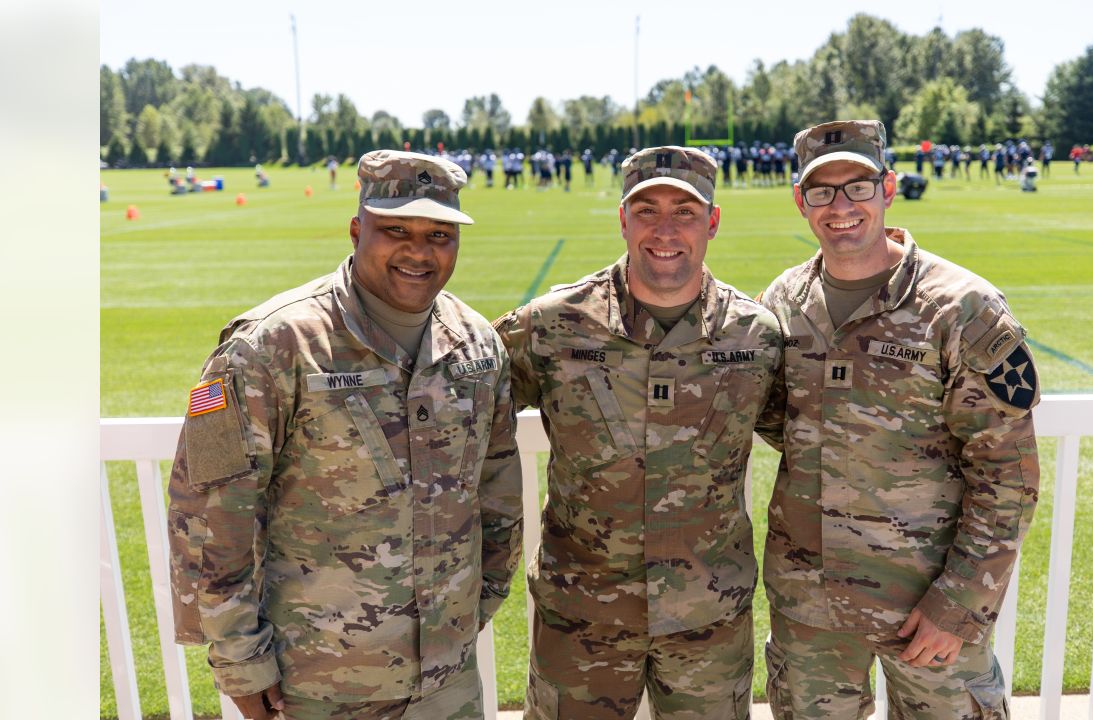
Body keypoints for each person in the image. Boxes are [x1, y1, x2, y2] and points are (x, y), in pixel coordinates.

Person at [166, 150, 523, 720]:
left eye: (439, 233)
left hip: (447, 678)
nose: (418, 250)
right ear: (358, 229)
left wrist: (481, 600)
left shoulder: (478, 345)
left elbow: (497, 485)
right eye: (395, 229)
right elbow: (209, 510)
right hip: (316, 680)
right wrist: (239, 659)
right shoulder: (268, 346)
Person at [757, 120, 1040, 718]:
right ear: (800, 202)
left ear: (888, 189)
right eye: (821, 191)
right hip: (810, 609)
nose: (841, 207)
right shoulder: (783, 302)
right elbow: (778, 418)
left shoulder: (962, 307)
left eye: (858, 187)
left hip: (925, 605)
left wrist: (959, 603)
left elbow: (1007, 476)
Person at [494, 146, 783, 720]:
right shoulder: (552, 325)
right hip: (582, 621)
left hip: (709, 621)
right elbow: (460, 402)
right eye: (646, 210)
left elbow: (825, 438)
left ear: (713, 222)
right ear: (623, 220)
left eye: (686, 211)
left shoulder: (757, 337)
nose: (665, 230)